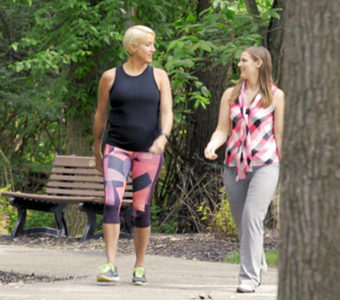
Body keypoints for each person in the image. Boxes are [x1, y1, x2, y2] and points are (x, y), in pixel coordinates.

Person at [93, 25, 173, 286]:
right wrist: (96, 147)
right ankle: (111, 264)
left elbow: (167, 113)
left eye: (153, 44)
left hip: (148, 151)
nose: (153, 49)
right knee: (110, 200)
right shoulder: (110, 77)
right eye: (148, 44)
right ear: (133, 47)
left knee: (140, 208)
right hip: (116, 148)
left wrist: (163, 137)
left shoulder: (159, 77)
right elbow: (101, 115)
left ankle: (139, 266)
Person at [204, 46, 284, 293]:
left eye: (244, 60)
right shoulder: (230, 94)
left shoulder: (275, 96)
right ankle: (258, 261)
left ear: (259, 63)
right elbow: (222, 129)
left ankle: (249, 277)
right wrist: (212, 145)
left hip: (266, 164)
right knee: (243, 223)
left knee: (252, 216)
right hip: (234, 165)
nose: (240, 65)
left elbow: (280, 136)